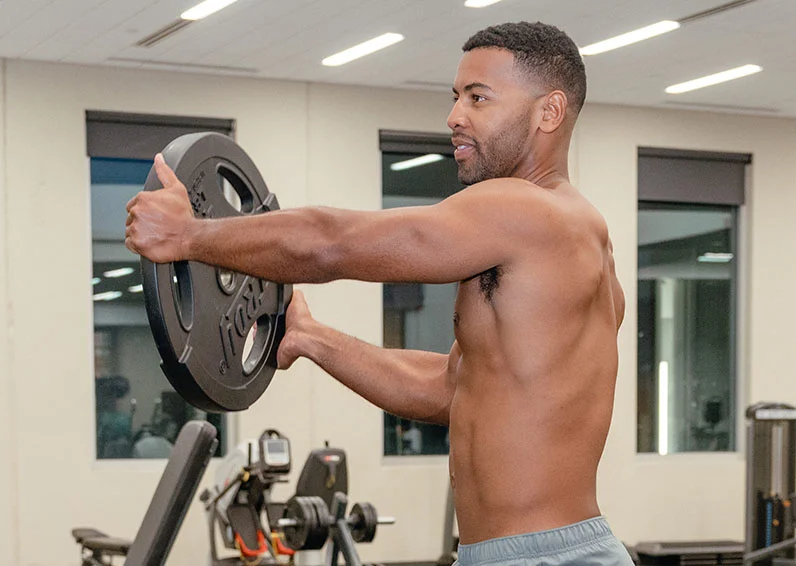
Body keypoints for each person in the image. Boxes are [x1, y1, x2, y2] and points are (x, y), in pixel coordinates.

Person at [125, 21, 630, 566]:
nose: (455, 116)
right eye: (456, 97)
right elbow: (448, 389)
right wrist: (312, 338)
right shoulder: (574, 238)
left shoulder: (528, 210)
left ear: (548, 112)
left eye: (478, 98)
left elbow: (332, 244)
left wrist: (191, 235)